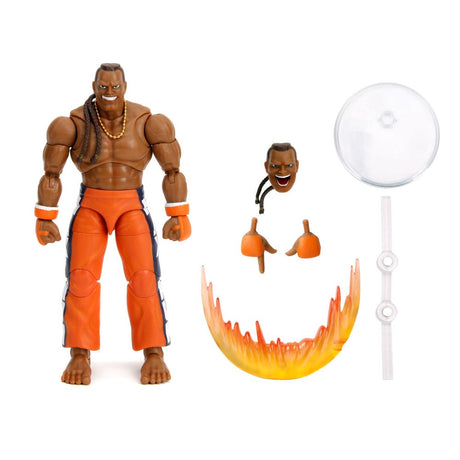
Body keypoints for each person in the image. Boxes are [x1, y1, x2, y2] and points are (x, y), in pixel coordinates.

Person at [35, 63, 190, 385]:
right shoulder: (73, 124)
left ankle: (153, 351)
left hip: (131, 204)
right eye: (103, 87)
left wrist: (178, 213)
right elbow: (51, 173)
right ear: (94, 86)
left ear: (125, 86)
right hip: (91, 204)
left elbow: (173, 170)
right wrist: (45, 216)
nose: (109, 92)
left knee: (145, 278)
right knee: (80, 279)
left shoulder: (149, 122)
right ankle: (79, 353)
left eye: (115, 87)